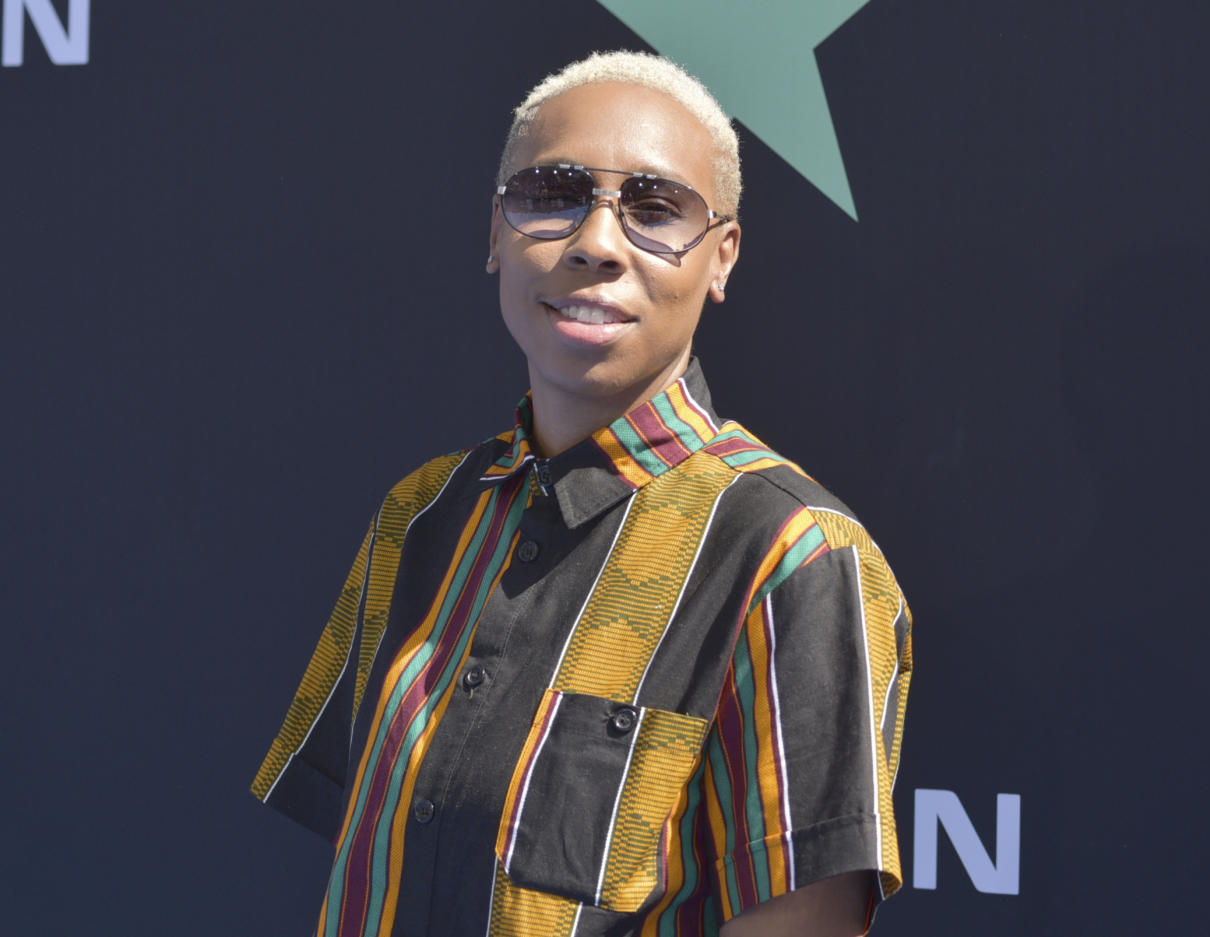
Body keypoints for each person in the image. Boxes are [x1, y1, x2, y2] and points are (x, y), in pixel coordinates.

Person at [252, 50, 912, 937]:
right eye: (553, 194)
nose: (597, 242)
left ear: (720, 258)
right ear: (495, 234)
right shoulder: (419, 515)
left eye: (655, 208)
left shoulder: (794, 554)